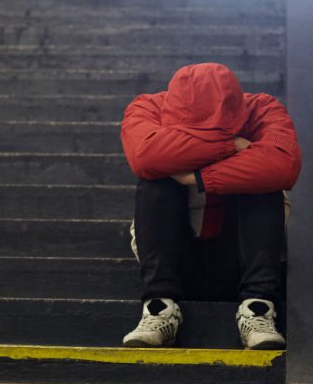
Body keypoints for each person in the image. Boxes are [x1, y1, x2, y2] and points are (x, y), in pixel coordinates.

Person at [120, 63, 302, 350]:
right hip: (176, 263)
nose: (206, 129)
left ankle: (258, 309)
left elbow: (284, 164)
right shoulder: (147, 107)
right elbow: (144, 157)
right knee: (154, 182)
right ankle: (159, 308)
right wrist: (233, 145)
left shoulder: (262, 108)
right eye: (196, 127)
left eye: (215, 124)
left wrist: (199, 177)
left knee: (263, 181)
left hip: (240, 263)